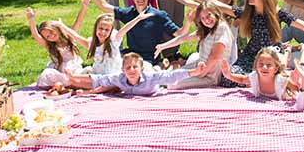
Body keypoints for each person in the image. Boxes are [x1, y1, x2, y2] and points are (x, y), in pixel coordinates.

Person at [83, 0, 179, 62]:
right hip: (130, 56)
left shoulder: (159, 15)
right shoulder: (128, 13)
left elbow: (178, 34)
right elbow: (103, 6)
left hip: (148, 60)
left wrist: (188, 22)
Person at [154, 2, 236, 88]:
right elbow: (183, 38)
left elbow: (215, 56)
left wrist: (200, 74)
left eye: (208, 16)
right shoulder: (207, 29)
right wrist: (162, 46)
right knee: (171, 76)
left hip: (209, 76)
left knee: (172, 84)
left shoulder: (221, 28)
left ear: (215, 13)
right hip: (198, 67)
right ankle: (153, 77)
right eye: (203, 18)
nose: (207, 20)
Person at [72, 53, 207, 96]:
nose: (131, 70)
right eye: (128, 68)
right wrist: (74, 77)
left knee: (165, 72)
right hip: (146, 68)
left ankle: (166, 63)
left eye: (134, 67)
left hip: (152, 72)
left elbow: (171, 76)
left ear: (140, 69)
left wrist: (194, 72)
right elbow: (100, 79)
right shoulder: (119, 78)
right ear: (123, 70)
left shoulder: (150, 78)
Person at [219, 47, 299, 100]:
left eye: (268, 65)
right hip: (276, 67)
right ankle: (286, 52)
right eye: (261, 64)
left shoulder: (282, 80)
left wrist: (299, 83)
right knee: (282, 66)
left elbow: (299, 90)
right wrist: (229, 75)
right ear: (256, 67)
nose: (264, 67)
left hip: (283, 73)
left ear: (275, 70)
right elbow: (243, 79)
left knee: (283, 66)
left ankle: (288, 51)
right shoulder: (255, 76)